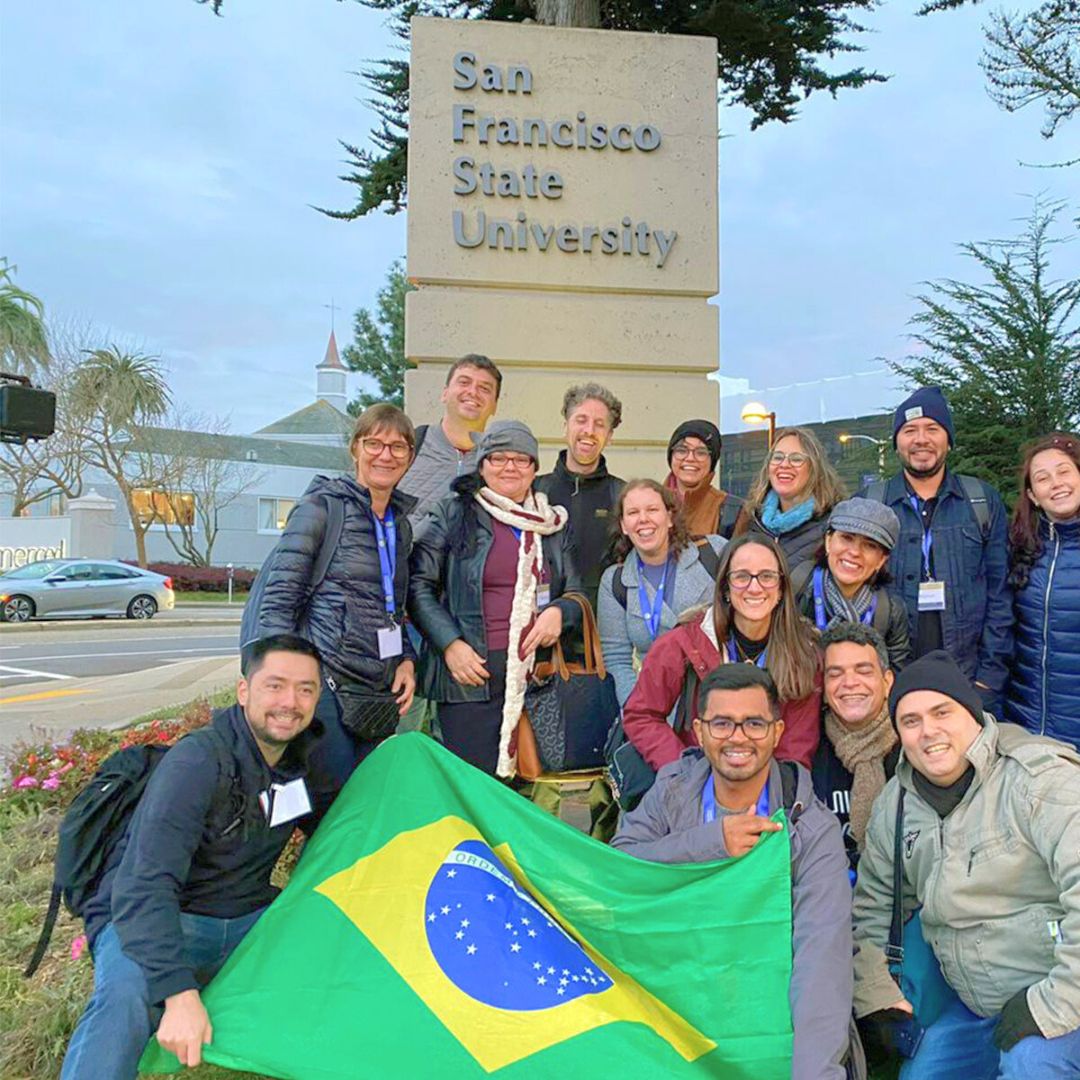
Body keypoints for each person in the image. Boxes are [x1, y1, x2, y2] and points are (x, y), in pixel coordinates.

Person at [61, 635, 332, 1080]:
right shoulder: (197, 762)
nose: (290, 702)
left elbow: (337, 826)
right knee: (127, 995)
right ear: (244, 691)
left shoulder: (305, 759)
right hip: (162, 915)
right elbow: (144, 885)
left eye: (305, 689)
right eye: (275, 686)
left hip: (247, 915)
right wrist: (179, 993)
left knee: (337, 948)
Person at [612, 664, 855, 1080]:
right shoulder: (673, 790)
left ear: (777, 733)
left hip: (763, 1010)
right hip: (678, 1000)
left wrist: (817, 1073)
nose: (738, 737)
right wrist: (710, 844)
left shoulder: (810, 827)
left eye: (754, 724)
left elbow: (822, 959)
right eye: (722, 723)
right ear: (700, 730)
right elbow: (619, 872)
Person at [853, 650, 1080, 1079]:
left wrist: (1050, 1006)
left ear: (973, 715)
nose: (928, 732)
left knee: (1031, 1065)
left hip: (1063, 995)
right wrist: (876, 997)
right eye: (911, 720)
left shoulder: (1039, 780)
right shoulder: (895, 805)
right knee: (923, 1073)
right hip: (977, 1006)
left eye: (942, 712)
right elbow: (871, 912)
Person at [241, 403, 418, 793]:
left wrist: (405, 658)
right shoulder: (322, 509)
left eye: (398, 447)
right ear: (355, 448)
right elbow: (279, 600)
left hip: (375, 692)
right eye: (375, 443)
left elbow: (393, 606)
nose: (385, 455)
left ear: (409, 457)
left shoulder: (399, 526)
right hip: (325, 687)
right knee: (328, 806)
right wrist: (282, 683)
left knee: (365, 803)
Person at [408, 420, 582, 777]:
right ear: (482, 464)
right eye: (499, 458)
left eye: (521, 459)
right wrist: (450, 644)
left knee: (530, 787)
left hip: (535, 679)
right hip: (470, 676)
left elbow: (576, 591)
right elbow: (417, 585)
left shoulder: (550, 524)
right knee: (472, 788)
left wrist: (560, 613)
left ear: (534, 469)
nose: (509, 467)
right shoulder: (453, 513)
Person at [859, 386, 1012, 713]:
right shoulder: (872, 504)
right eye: (909, 430)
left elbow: (1001, 595)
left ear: (948, 439)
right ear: (897, 442)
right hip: (892, 679)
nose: (921, 439)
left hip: (969, 679)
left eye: (933, 429)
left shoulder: (981, 501)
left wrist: (988, 679)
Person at [622, 534, 821, 770]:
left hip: (768, 791)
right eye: (742, 577)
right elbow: (642, 715)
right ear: (725, 588)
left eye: (767, 577)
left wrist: (767, 793)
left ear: (780, 589)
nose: (754, 587)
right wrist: (684, 772)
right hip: (696, 786)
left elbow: (795, 749)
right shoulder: (683, 644)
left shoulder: (804, 654)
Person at [597, 478, 725, 708]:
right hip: (656, 706)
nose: (643, 519)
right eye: (633, 512)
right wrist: (640, 712)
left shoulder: (714, 553)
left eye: (653, 510)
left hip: (719, 701)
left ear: (669, 517)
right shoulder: (615, 582)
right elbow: (616, 658)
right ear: (624, 525)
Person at [1006, 432, 1080, 749]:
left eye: (1064, 471)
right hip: (1026, 724)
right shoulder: (1021, 548)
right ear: (1033, 495)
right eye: (1043, 478)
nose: (1056, 483)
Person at [814, 623, 899, 874]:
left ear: (887, 682)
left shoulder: (915, 744)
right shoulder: (807, 746)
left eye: (863, 671)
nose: (849, 683)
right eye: (835, 673)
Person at [535, 382, 624, 614]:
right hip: (540, 629)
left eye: (600, 424)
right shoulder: (534, 490)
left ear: (610, 436)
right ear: (566, 426)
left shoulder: (622, 496)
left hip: (601, 630)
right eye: (581, 420)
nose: (589, 431)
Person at [792, 497, 912, 670]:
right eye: (847, 538)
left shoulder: (890, 611)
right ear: (828, 541)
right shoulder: (797, 587)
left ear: (881, 560)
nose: (854, 552)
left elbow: (892, 678)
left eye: (870, 545)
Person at [400, 353, 502, 522]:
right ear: (445, 393)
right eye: (464, 382)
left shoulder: (499, 462)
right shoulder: (407, 446)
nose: (473, 392)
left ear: (494, 406)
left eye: (484, 388)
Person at [734, 425, 846, 567]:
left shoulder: (834, 526)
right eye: (778, 457)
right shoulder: (750, 520)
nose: (785, 464)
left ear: (814, 469)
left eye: (796, 459)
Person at [664, 419, 742, 538]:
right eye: (681, 450)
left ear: (712, 461)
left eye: (701, 452)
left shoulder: (732, 510)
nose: (690, 458)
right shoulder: (648, 502)